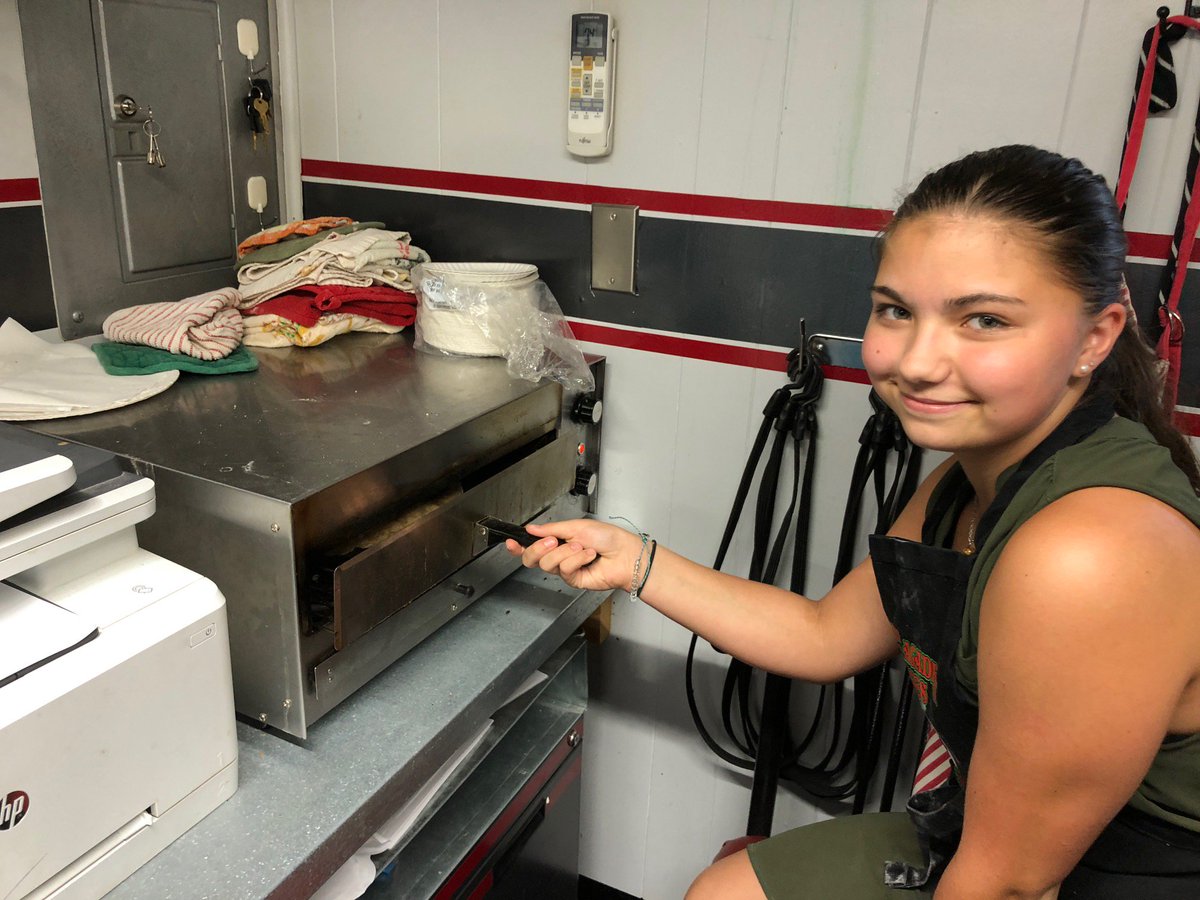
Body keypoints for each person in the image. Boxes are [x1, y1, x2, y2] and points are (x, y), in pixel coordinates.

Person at [509, 145, 1200, 898]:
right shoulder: (959, 482)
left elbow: (1008, 882)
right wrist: (635, 562)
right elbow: (826, 636)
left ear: (1095, 338)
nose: (918, 361)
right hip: (987, 831)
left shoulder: (1089, 553)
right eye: (895, 311)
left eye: (984, 320)